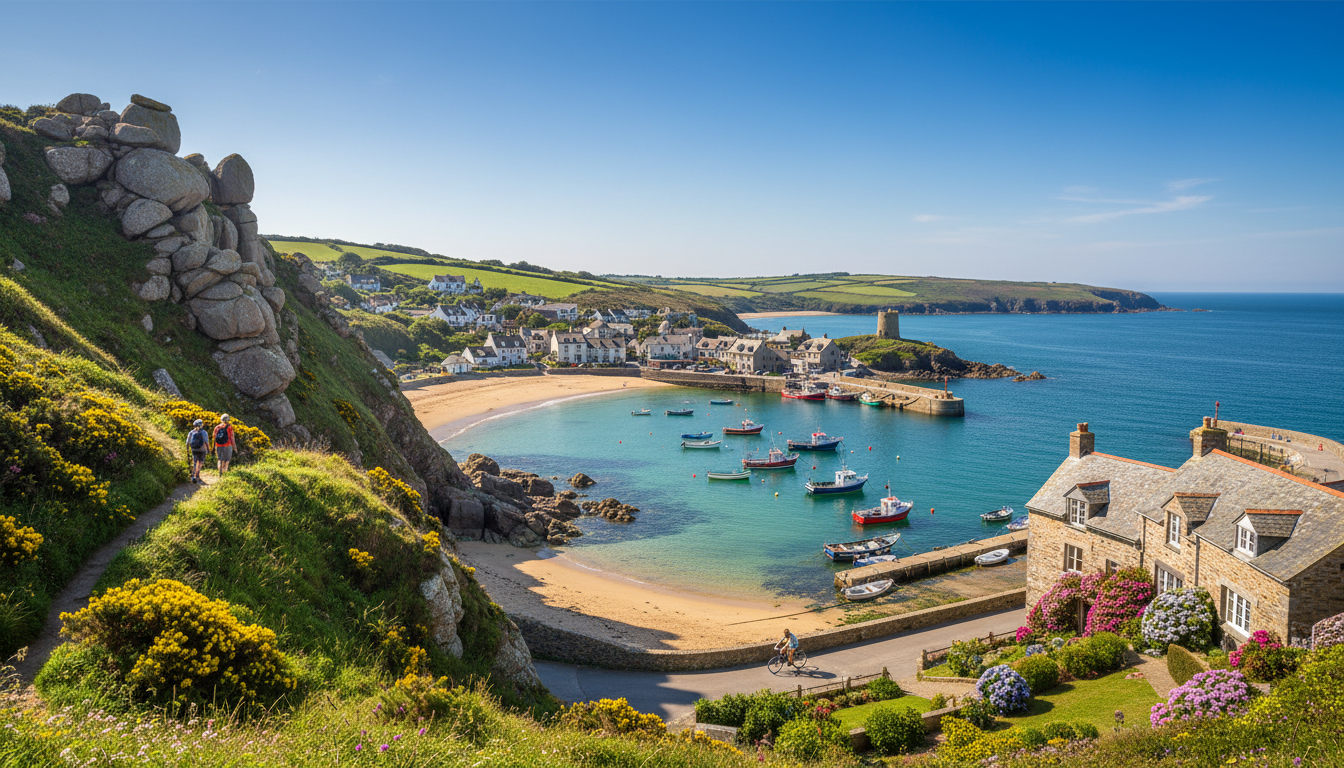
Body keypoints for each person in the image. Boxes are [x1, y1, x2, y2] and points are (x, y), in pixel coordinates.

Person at [186, 419, 209, 483]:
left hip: (194, 449)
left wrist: (187, 449)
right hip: (202, 450)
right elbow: (206, 442)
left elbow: (187, 442)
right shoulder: (204, 432)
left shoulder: (191, 432)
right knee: (200, 462)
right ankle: (197, 475)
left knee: (195, 462)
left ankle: (193, 476)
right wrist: (208, 449)